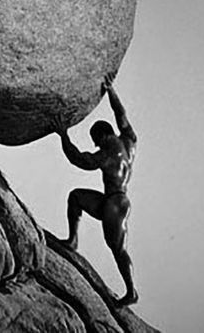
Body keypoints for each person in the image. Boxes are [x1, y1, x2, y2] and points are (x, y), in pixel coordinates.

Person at [52, 74, 138, 307]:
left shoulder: (105, 155)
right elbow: (121, 115)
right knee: (76, 197)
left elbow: (78, 159)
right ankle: (73, 240)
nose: (95, 145)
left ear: (100, 136)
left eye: (95, 141)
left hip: (115, 203)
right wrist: (111, 91)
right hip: (113, 200)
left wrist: (63, 135)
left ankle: (131, 292)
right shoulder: (130, 141)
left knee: (117, 248)